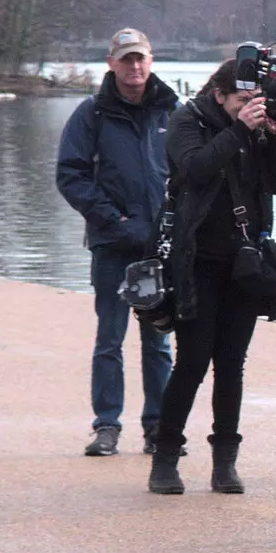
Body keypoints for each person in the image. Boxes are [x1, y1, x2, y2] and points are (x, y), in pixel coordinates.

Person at [148, 59, 276, 495]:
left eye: (256, 100)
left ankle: (224, 462)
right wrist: (238, 131)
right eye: (242, 100)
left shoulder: (255, 129)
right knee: (192, 361)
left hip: (245, 263)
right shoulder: (188, 119)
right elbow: (194, 169)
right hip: (196, 260)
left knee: (232, 364)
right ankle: (165, 458)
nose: (251, 107)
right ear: (219, 95)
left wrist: (275, 138)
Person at [55, 28, 177, 458]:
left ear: (151, 60)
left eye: (140, 58)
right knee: (110, 340)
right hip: (112, 245)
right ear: (111, 63)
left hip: (159, 249)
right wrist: (114, 219)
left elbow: (188, 172)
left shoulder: (171, 112)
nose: (135, 67)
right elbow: (70, 176)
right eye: (126, 60)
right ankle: (107, 425)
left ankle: (159, 427)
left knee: (158, 343)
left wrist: (173, 225)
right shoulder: (91, 114)